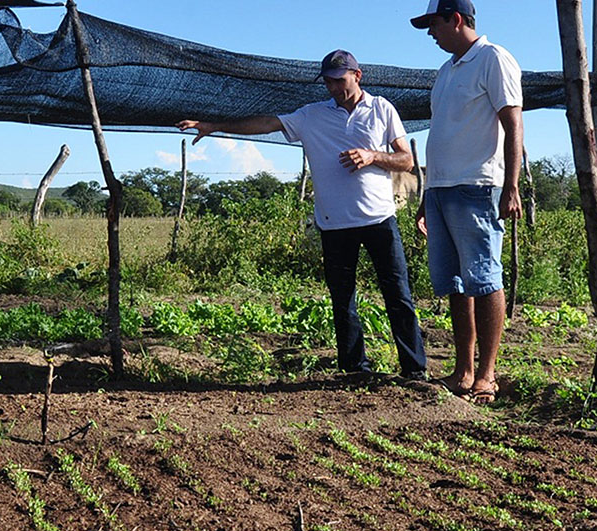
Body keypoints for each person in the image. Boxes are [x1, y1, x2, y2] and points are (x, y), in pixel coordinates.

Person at [178, 49, 426, 380]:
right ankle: (355, 370)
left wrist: (371, 156)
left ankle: (414, 370)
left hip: (379, 219)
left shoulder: (382, 109)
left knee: (398, 296)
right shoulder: (312, 115)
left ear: (357, 75)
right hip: (334, 223)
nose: (334, 88)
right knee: (343, 301)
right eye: (328, 82)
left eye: (339, 80)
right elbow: (266, 123)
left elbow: (406, 160)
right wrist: (213, 126)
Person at [410, 0, 523, 404]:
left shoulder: (493, 59)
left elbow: (513, 123)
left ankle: (487, 375)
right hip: (441, 188)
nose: (431, 34)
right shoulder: (446, 70)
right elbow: (441, 135)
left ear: (455, 19)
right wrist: (428, 193)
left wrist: (511, 185)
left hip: (477, 185)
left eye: (434, 25)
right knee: (456, 282)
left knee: (484, 277)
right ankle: (463, 370)